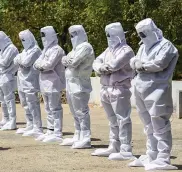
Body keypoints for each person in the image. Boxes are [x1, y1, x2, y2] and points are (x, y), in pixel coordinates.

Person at [128, 18, 178, 170]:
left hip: (157, 89)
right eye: (140, 34)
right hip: (141, 88)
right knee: (148, 124)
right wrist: (134, 63)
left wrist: (141, 65)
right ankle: (152, 154)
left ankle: (163, 158)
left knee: (159, 123)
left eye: (144, 33)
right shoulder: (143, 47)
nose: (142, 37)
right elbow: (135, 61)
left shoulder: (166, 45)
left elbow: (160, 63)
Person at [92, 22, 134, 160]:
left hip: (119, 88)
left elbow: (115, 65)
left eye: (110, 34)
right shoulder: (108, 50)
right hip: (106, 88)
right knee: (112, 120)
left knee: (123, 119)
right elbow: (96, 62)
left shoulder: (126, 50)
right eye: (107, 35)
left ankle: (126, 148)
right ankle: (114, 145)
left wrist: (102, 68)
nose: (109, 37)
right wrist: (101, 68)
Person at [60, 25, 94, 149]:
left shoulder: (85, 47)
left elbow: (73, 62)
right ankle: (78, 134)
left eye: (75, 34)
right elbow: (65, 59)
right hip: (71, 83)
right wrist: (67, 60)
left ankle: (85, 137)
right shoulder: (74, 49)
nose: (73, 37)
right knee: (74, 111)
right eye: (71, 35)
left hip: (80, 83)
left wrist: (67, 60)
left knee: (81, 111)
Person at [34, 26, 65, 143]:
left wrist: (40, 66)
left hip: (53, 82)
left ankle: (57, 132)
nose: (43, 39)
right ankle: (50, 130)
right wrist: (41, 65)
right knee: (47, 108)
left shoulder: (57, 49)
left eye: (44, 36)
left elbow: (49, 65)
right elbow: (36, 64)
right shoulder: (45, 50)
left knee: (55, 108)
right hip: (44, 82)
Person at [14, 29, 43, 136]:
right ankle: (30, 124)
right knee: (25, 104)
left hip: (31, 81)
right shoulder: (24, 51)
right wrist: (21, 60)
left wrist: (20, 60)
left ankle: (37, 126)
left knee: (32, 104)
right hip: (22, 80)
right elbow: (15, 60)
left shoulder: (35, 50)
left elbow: (26, 63)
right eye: (21, 40)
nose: (23, 41)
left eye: (24, 39)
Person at [0, 31, 19, 130]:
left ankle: (12, 121)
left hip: (7, 76)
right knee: (2, 100)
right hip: (0, 76)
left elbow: (5, 62)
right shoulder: (4, 49)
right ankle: (5, 119)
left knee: (9, 99)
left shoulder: (11, 48)